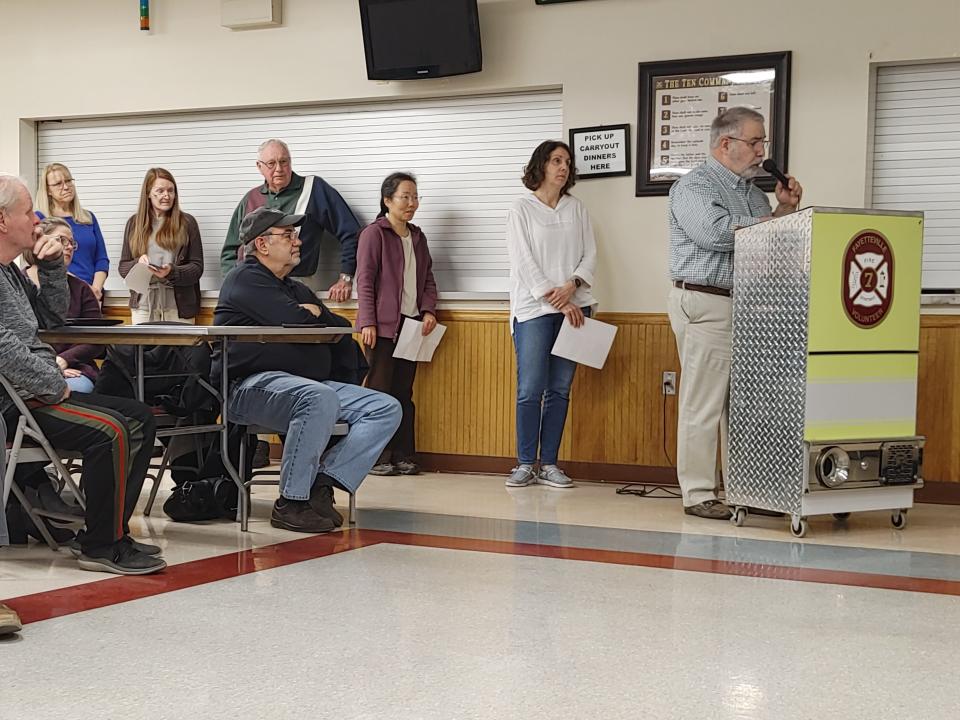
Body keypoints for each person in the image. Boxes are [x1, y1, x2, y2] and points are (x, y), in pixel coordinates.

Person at [0, 174, 165, 574]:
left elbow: (53, 317)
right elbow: (4, 350)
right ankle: (101, 545)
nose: (36, 223)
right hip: (15, 403)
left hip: (37, 391)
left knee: (139, 417)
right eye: (28, 214)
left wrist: (53, 267)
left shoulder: (9, 271)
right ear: (2, 220)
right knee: (112, 431)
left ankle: (107, 533)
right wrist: (55, 383)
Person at [213, 206, 401, 533]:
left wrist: (311, 311)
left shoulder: (294, 287)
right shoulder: (245, 278)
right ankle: (291, 502)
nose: (298, 241)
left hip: (304, 386)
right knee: (319, 397)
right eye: (288, 235)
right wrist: (309, 314)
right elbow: (301, 322)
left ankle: (321, 483)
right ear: (262, 244)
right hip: (248, 388)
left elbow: (338, 326)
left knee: (385, 407)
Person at [668, 107, 803, 519]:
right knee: (703, 402)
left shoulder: (753, 194)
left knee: (743, 404)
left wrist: (782, 211)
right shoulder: (694, 186)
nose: (762, 151)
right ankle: (697, 493)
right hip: (706, 302)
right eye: (755, 141)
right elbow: (713, 233)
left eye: (762, 142)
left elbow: (764, 242)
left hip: (746, 304)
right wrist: (769, 220)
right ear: (726, 144)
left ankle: (745, 489)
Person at [505, 141, 598, 490]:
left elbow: (590, 255)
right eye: (556, 160)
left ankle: (550, 464)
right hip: (534, 311)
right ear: (540, 166)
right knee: (531, 389)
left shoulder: (577, 208)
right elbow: (524, 263)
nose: (563, 167)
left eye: (567, 162)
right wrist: (557, 298)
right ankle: (525, 463)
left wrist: (572, 286)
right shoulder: (521, 209)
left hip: (575, 306)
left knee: (560, 389)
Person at [356, 173, 438, 476]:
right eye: (405, 196)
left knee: (404, 393)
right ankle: (377, 457)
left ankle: (404, 455)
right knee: (379, 394)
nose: (412, 203)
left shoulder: (417, 236)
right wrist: (368, 321)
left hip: (412, 326)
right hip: (382, 328)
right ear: (387, 200)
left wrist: (428, 310)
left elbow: (428, 278)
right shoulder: (373, 234)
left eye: (415, 197)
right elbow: (365, 281)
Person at [219, 139, 360, 301]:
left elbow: (352, 233)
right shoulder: (250, 199)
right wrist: (234, 284)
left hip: (296, 287)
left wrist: (346, 277)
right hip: (252, 288)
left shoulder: (314, 189)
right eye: (271, 163)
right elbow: (230, 251)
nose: (279, 169)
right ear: (259, 167)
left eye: (284, 161)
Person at [25, 217, 104, 393]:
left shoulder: (82, 289)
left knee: (76, 389)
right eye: (61, 240)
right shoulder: (17, 282)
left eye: (71, 243)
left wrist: (64, 360)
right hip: (29, 368)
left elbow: (97, 339)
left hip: (75, 368)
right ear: (39, 241)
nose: (68, 246)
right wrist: (48, 367)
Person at [118, 168, 203, 324]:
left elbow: (197, 268)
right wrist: (138, 263)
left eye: (171, 191)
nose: (166, 196)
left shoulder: (187, 223)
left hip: (178, 308)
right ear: (148, 193)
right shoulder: (134, 224)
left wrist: (172, 272)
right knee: (143, 349)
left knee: (181, 348)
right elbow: (123, 267)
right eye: (160, 191)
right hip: (143, 306)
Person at [35, 162, 108, 301]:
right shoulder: (40, 219)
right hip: (60, 293)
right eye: (58, 184)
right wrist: (83, 288)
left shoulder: (88, 218)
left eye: (68, 181)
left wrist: (95, 290)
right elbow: (38, 261)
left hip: (93, 295)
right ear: (48, 190)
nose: (66, 187)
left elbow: (102, 259)